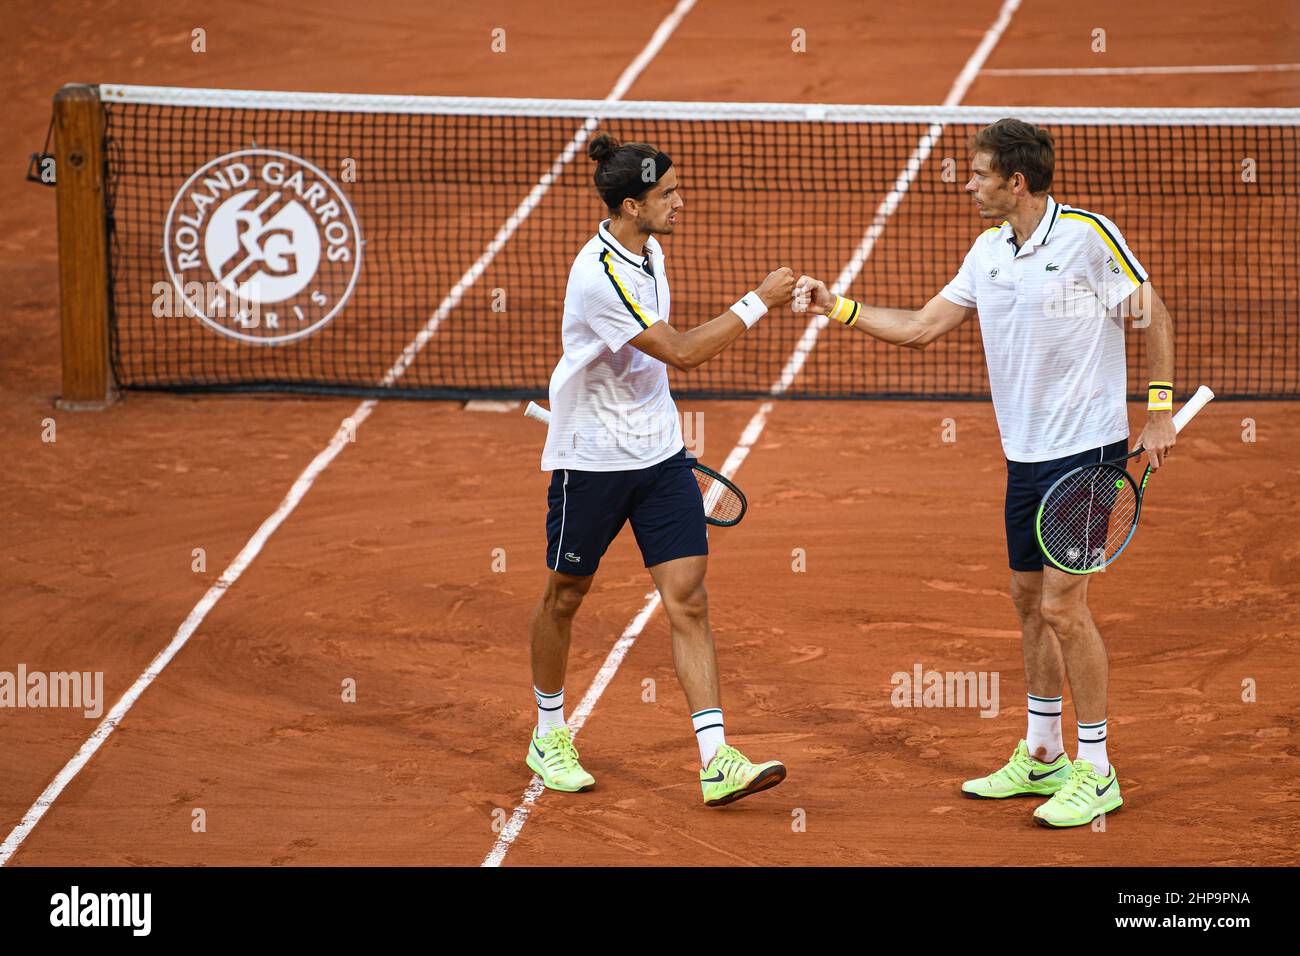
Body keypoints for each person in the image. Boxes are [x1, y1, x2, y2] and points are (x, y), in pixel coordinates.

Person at [793, 118, 1177, 828]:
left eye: (976, 175)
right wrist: (835, 307)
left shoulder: (1087, 238)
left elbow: (1151, 314)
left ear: (1015, 182)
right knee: (1029, 602)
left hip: (1086, 454)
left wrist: (1158, 412)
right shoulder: (987, 253)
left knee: (1065, 607)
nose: (967, 185)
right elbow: (919, 327)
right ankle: (1041, 753)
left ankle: (1097, 771)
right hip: (1024, 457)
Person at [526, 131, 794, 807]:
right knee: (565, 596)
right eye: (666, 194)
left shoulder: (649, 251)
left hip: (658, 457)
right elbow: (680, 352)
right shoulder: (600, 275)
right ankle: (548, 733)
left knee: (689, 599)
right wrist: (758, 301)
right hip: (590, 462)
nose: (680, 201)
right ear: (628, 205)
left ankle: (714, 759)